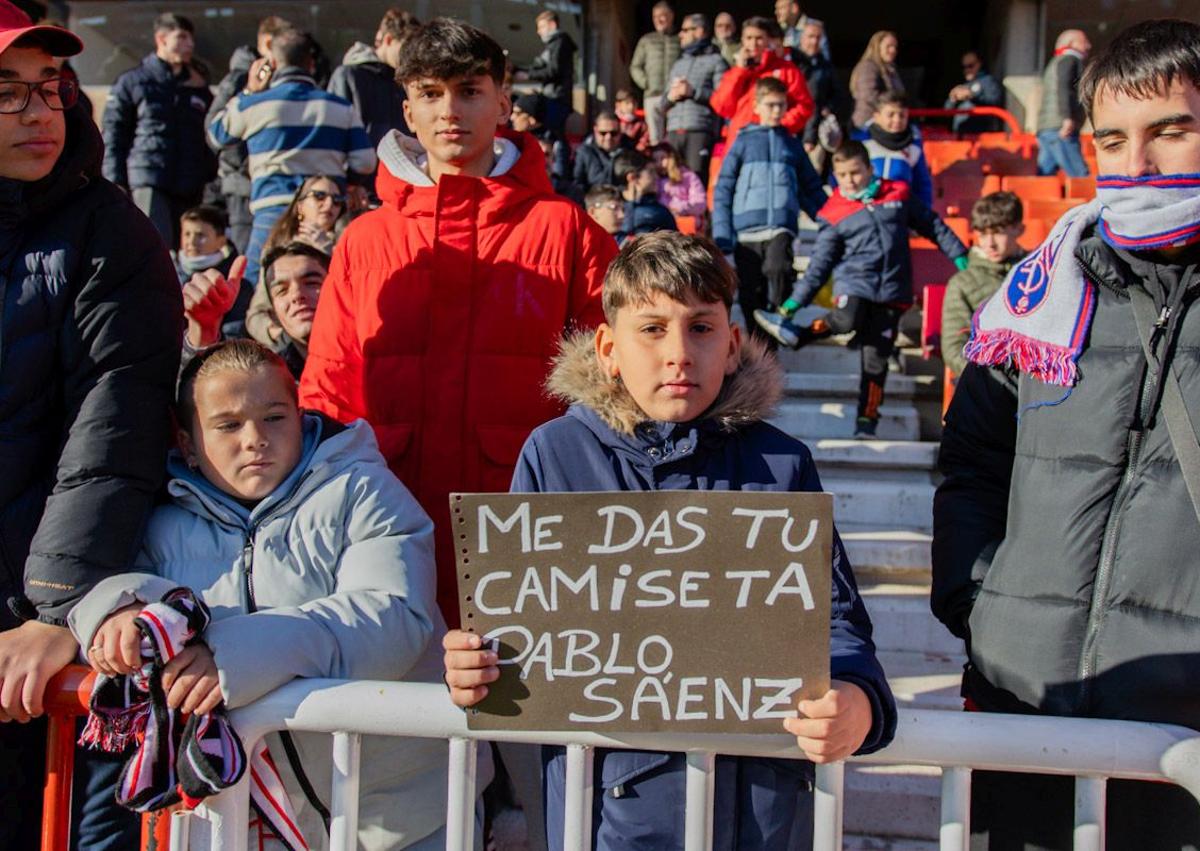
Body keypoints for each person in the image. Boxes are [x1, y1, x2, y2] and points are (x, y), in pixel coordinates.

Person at [442, 230, 897, 851]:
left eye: (701, 329)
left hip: (760, 810)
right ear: (607, 348)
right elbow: (520, 628)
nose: (678, 353)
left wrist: (858, 699)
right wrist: (478, 666)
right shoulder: (556, 456)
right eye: (652, 329)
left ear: (733, 344)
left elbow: (836, 621)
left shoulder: (781, 464)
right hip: (603, 814)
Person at [932, 19, 1200, 848]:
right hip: (1026, 709)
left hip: (1180, 739)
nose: (1138, 165)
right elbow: (971, 464)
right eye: (1113, 140)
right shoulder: (1038, 294)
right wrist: (982, 603)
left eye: (1172, 131)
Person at [69, 339, 460, 850]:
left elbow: (393, 618)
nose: (255, 439)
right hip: (241, 821)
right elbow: (119, 589)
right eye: (228, 425)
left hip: (400, 818)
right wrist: (119, 613)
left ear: (301, 417)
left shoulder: (364, 490)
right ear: (188, 444)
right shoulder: (158, 523)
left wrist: (229, 656)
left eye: (274, 417)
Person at [298, 16, 618, 625]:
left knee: (510, 710)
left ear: (503, 100)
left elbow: (612, 387)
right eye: (430, 92)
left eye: (469, 90)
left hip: (526, 526)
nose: (451, 110)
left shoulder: (567, 229)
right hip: (385, 525)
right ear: (408, 108)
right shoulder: (365, 238)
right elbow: (328, 389)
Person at [0, 5, 184, 847]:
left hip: (28, 622)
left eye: (50, 89)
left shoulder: (114, 234)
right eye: (10, 94)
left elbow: (113, 426)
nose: (41, 113)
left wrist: (52, 604)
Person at [754, 141, 966, 438]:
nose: (850, 180)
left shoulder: (898, 194)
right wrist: (793, 304)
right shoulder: (834, 212)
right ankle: (798, 332)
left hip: (893, 289)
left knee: (875, 360)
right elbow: (819, 266)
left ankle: (867, 421)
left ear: (869, 168)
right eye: (842, 175)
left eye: (855, 172)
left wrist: (960, 255)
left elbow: (933, 225)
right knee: (846, 319)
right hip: (854, 282)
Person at [208, 27, 375, 333]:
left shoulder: (254, 103)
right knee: (322, 287)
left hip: (270, 214)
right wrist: (345, 181)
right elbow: (365, 161)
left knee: (257, 293)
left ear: (273, 62)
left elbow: (217, 135)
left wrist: (249, 91)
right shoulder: (338, 106)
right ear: (311, 64)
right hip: (325, 211)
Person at [712, 77, 827, 347]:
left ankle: (777, 329)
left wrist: (831, 220)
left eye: (782, 105)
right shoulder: (742, 142)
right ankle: (759, 348)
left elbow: (810, 187)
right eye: (771, 105)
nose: (777, 111)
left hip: (781, 226)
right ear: (757, 106)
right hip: (746, 231)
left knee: (779, 271)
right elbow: (724, 187)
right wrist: (722, 233)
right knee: (751, 292)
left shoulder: (792, 144)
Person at [102, 12, 216, 248]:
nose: (190, 45)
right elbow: (113, 134)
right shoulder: (132, 81)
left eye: (191, 39)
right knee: (154, 248)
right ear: (162, 39)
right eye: (182, 37)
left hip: (190, 185)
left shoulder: (197, 86)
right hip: (148, 180)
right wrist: (115, 181)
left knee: (188, 253)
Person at [206, 15, 295, 254]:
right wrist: (249, 92)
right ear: (267, 44)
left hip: (277, 186)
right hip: (244, 188)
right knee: (250, 261)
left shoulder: (287, 78)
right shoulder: (241, 76)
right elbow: (214, 129)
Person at [244, 175, 345, 345]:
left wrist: (327, 250)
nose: (329, 204)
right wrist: (278, 336)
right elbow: (256, 313)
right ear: (300, 206)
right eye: (319, 196)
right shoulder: (276, 251)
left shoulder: (348, 243)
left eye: (337, 200)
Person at [940, 192, 1024, 378]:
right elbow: (955, 349)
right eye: (983, 235)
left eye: (998, 233)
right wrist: (993, 381)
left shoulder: (1036, 274)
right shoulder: (962, 284)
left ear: (1019, 229)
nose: (990, 244)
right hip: (985, 383)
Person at [710, 16, 814, 148]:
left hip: (773, 142)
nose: (753, 44)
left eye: (759, 38)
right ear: (742, 40)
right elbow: (722, 106)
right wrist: (740, 71)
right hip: (739, 141)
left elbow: (804, 106)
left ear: (768, 41)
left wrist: (779, 124)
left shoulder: (786, 69)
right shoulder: (737, 71)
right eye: (748, 38)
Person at [327, 7, 419, 149]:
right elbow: (334, 129)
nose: (410, 55)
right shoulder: (349, 76)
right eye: (406, 47)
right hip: (361, 167)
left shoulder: (408, 81)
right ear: (388, 40)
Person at [661, 12, 727, 185]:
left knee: (696, 180)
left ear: (699, 31)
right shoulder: (678, 64)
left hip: (700, 129)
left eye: (685, 30)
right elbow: (662, 103)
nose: (680, 35)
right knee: (672, 179)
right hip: (674, 129)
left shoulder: (717, 61)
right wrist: (671, 96)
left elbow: (724, 100)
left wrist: (693, 92)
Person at [862, 92, 933, 207]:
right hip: (866, 210)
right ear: (876, 116)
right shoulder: (862, 142)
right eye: (891, 115)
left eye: (902, 115)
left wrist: (925, 214)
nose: (897, 120)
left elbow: (922, 185)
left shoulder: (913, 146)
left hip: (899, 210)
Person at [1036, 29, 1092, 177]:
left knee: (1044, 177)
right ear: (1071, 43)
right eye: (1084, 41)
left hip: (1048, 127)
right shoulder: (1070, 60)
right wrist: (1067, 118)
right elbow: (1064, 88)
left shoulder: (1055, 63)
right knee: (1080, 175)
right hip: (1060, 127)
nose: (1088, 46)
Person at [629, 1, 680, 146]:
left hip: (675, 96)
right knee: (654, 139)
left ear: (671, 16)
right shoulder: (646, 40)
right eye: (655, 16)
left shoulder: (680, 39)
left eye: (663, 15)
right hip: (653, 95)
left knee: (674, 137)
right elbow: (635, 66)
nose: (659, 19)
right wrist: (645, 83)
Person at [516, 10, 576, 133]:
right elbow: (540, 66)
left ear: (552, 25)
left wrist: (528, 75)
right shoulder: (554, 45)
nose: (539, 31)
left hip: (557, 99)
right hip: (554, 97)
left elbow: (554, 70)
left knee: (553, 136)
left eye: (542, 27)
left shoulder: (560, 42)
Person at [512, 92, 573, 199]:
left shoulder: (555, 142)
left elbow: (558, 177)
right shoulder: (510, 140)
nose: (512, 117)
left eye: (517, 113)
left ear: (532, 119)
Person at [796, 21, 839, 164]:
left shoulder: (826, 66)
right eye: (810, 37)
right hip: (792, 125)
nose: (814, 41)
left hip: (816, 129)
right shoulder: (791, 62)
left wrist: (829, 108)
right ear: (802, 38)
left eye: (818, 37)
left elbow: (836, 93)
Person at [614, 149, 678, 237]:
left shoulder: (660, 211)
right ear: (632, 178)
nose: (656, 177)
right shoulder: (609, 208)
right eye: (651, 172)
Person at [850, 30, 903, 131]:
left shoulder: (891, 69)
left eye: (895, 47)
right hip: (869, 123)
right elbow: (869, 94)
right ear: (877, 47)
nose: (893, 50)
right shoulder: (868, 67)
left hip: (888, 124)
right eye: (888, 46)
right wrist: (890, 106)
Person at [573, 110, 633, 196]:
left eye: (613, 133)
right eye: (603, 133)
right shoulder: (584, 152)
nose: (608, 137)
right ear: (595, 131)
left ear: (620, 132)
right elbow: (577, 184)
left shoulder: (630, 150)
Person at [174, 204, 238, 283]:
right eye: (187, 234)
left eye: (200, 235)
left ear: (221, 241)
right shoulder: (165, 271)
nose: (192, 241)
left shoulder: (233, 281)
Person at [945, 50, 1004, 134]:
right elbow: (947, 111)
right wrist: (952, 98)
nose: (967, 70)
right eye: (964, 67)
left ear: (979, 64)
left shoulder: (988, 81)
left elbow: (995, 101)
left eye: (970, 66)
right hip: (961, 135)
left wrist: (972, 96)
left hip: (982, 136)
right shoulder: (963, 85)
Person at [652, 142, 706, 219]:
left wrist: (681, 208)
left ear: (671, 158)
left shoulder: (688, 176)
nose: (659, 163)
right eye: (655, 160)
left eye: (663, 158)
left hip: (685, 220)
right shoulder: (653, 180)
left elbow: (700, 203)